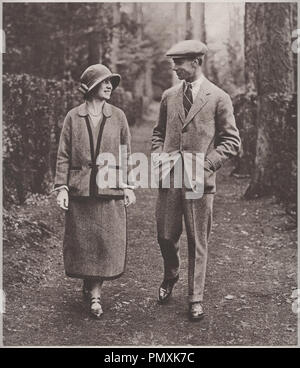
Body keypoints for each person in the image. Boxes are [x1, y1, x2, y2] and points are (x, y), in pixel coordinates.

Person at [152, 40, 241, 321]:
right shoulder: (169, 96)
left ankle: (195, 297)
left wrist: (207, 164)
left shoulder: (218, 97)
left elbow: (231, 141)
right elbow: (158, 132)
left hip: (200, 180)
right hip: (170, 178)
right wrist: (157, 154)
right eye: (173, 63)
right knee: (166, 235)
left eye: (179, 63)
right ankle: (172, 274)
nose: (175, 68)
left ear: (196, 63)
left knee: (197, 239)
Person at [54, 64, 136, 318]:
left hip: (109, 190)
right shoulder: (73, 117)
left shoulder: (118, 116)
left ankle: (96, 297)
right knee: (83, 244)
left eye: (111, 82)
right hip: (80, 191)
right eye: (104, 82)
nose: (110, 86)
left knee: (104, 243)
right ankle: (89, 283)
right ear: (91, 87)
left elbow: (126, 154)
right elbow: (63, 155)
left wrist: (128, 185)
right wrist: (61, 187)